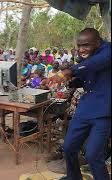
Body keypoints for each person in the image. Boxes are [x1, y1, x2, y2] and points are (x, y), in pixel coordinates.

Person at [48, 28, 111, 180]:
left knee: (93, 154)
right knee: (68, 147)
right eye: (79, 45)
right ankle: (73, 177)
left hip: (104, 111)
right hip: (85, 108)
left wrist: (66, 73)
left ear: (97, 42)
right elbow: (85, 79)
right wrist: (68, 81)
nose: (81, 49)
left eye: (86, 45)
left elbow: (93, 64)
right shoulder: (86, 57)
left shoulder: (108, 50)